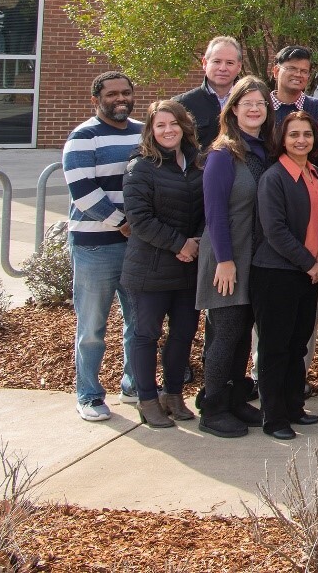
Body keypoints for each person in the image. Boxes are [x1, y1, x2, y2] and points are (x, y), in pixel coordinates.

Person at [195, 76, 275, 438]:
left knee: (243, 333)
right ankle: (212, 409)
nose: (255, 109)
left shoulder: (261, 150)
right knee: (225, 333)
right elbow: (214, 213)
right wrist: (225, 261)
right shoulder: (222, 154)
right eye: (248, 103)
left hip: (253, 255)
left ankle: (235, 397)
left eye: (260, 103)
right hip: (226, 256)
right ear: (234, 110)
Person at [64, 71, 143, 422]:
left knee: (139, 322)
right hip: (96, 247)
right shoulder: (84, 137)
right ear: (96, 98)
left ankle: (132, 384)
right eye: (112, 94)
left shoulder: (144, 132)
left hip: (138, 246)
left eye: (125, 92)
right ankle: (89, 394)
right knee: (92, 327)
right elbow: (83, 192)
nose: (120, 98)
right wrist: (121, 223)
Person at [120, 99, 203, 429]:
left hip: (188, 268)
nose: (168, 131)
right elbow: (138, 220)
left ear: (185, 126)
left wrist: (194, 243)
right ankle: (147, 400)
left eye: (174, 124)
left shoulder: (198, 162)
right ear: (151, 130)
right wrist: (180, 244)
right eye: (160, 125)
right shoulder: (140, 166)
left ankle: (172, 395)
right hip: (150, 268)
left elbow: (208, 208)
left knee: (183, 335)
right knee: (146, 336)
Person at [252, 112, 318, 440]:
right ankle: (274, 416)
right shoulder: (274, 177)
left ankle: (294, 405)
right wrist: (308, 263)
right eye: (294, 134)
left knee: (298, 343)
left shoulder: (314, 172)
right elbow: (276, 231)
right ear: (282, 139)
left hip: (307, 271)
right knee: (275, 347)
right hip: (276, 273)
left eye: (307, 134)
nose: (301, 140)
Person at [173, 35, 242, 150]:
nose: (222, 68)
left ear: (239, 67)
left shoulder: (250, 103)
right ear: (205, 63)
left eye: (230, 63)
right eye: (217, 61)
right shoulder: (181, 105)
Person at [269, 45, 318, 129]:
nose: (298, 74)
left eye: (304, 71)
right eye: (291, 69)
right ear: (276, 71)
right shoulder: (261, 107)